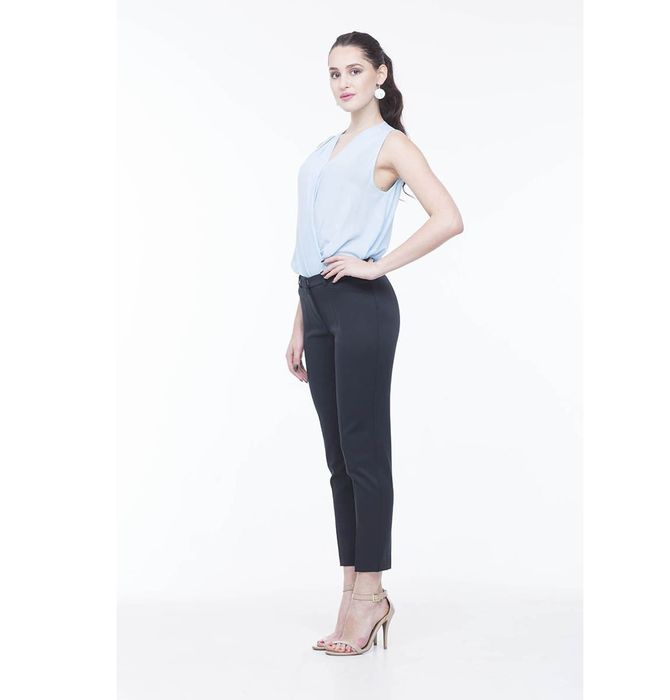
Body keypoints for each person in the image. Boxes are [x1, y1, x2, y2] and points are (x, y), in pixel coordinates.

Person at [286, 31, 463, 656]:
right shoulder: (324, 148)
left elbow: (449, 217)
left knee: (364, 454)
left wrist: (376, 265)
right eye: (334, 73)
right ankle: (350, 590)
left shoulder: (391, 145)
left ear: (381, 74)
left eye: (355, 70)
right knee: (338, 459)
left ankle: (370, 595)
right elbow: (313, 242)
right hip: (318, 303)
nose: (343, 82)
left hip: (362, 308)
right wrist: (300, 321)